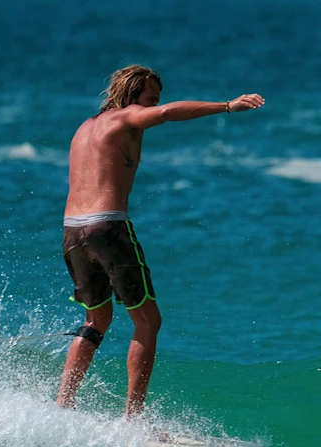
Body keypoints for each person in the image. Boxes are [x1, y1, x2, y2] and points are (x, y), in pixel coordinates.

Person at [56, 65, 264, 417]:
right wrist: (228, 106)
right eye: (150, 97)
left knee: (96, 321)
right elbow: (166, 114)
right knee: (148, 322)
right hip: (107, 227)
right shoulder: (127, 117)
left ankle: (63, 404)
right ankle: (134, 418)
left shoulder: (84, 129)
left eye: (156, 98)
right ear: (130, 94)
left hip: (72, 231)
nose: (155, 105)